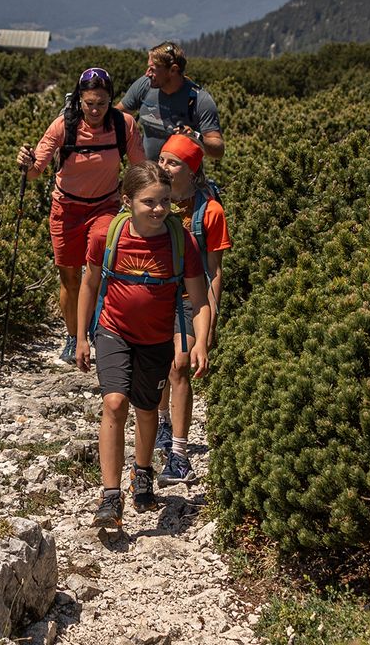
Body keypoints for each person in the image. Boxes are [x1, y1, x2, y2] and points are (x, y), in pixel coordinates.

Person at [77, 161, 210, 529]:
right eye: (149, 202)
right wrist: (80, 336)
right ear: (127, 201)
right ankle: (110, 496)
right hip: (112, 330)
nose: (159, 209)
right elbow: (89, 285)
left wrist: (199, 343)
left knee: (147, 409)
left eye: (165, 201)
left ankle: (143, 471)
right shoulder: (105, 234)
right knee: (115, 403)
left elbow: (199, 300)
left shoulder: (182, 241)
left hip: (156, 338)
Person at [17, 68, 144, 363]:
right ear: (79, 100)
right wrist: (26, 163)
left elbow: (139, 169)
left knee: (97, 265)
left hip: (105, 206)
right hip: (66, 209)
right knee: (70, 277)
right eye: (89, 103)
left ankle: (95, 330)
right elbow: (35, 172)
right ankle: (73, 336)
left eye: (102, 103)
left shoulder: (124, 125)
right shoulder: (63, 126)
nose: (96, 109)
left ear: (111, 100)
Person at [152, 133, 230, 485]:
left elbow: (214, 271)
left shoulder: (210, 212)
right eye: (162, 159)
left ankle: (179, 455)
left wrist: (208, 324)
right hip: (154, 296)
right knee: (160, 365)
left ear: (192, 169)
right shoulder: (153, 200)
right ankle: (163, 423)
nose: (163, 166)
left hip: (189, 301)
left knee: (180, 364)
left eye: (172, 162)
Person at [118, 42, 223, 165]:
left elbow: (218, 151)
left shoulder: (199, 100)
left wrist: (195, 136)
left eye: (152, 69)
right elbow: (117, 116)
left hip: (181, 179)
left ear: (173, 70)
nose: (147, 74)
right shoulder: (145, 85)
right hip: (148, 175)